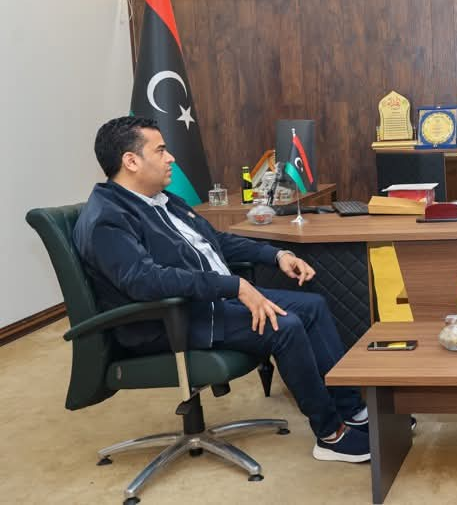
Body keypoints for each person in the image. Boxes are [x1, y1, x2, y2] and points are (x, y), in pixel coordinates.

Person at [73, 116, 371, 464]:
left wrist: (276, 255)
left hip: (206, 303)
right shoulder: (107, 218)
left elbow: (216, 241)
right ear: (131, 161)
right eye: (161, 150)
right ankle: (331, 434)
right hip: (167, 321)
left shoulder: (161, 199)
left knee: (313, 305)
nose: (171, 158)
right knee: (285, 326)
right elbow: (144, 280)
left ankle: (351, 410)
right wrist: (233, 286)